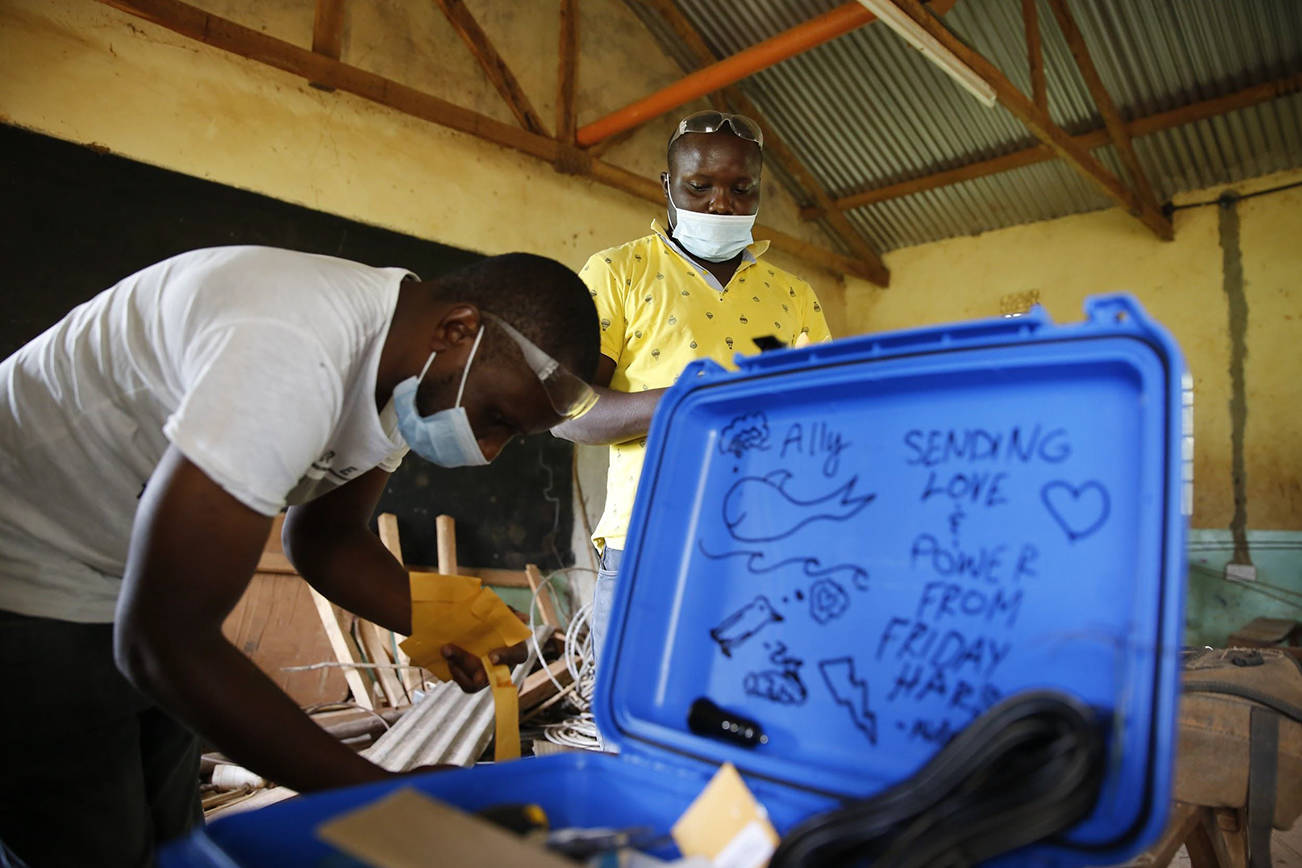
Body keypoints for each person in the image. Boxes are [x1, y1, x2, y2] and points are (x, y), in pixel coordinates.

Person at [0, 245, 598, 867]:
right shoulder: (289, 348)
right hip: (22, 570)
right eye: (495, 417)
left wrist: (436, 619)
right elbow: (161, 644)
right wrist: (386, 801)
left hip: (128, 583)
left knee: (175, 835)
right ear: (457, 330)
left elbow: (325, 538)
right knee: (93, 846)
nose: (490, 449)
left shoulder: (404, 374)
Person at [554, 111, 831, 662]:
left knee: (747, 726)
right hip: (647, 547)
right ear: (667, 186)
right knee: (639, 730)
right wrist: (686, 403)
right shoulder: (618, 273)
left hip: (765, 552)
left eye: (741, 188)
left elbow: (823, 425)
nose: (720, 204)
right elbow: (569, 411)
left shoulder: (794, 297)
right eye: (699, 187)